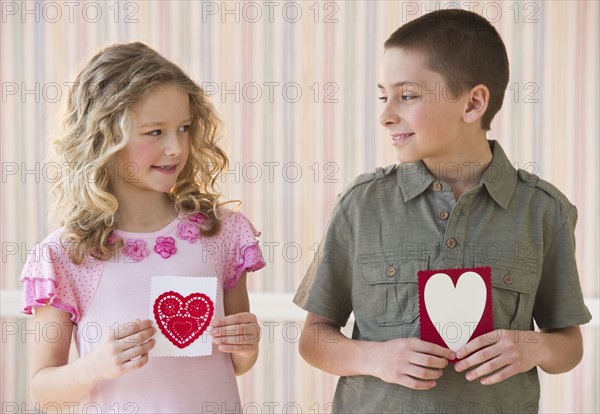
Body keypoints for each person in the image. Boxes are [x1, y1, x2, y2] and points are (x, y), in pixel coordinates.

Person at [294, 9, 591, 413]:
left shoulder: (544, 211)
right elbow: (314, 339)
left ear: (473, 103)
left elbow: (568, 346)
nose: (385, 115)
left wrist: (534, 347)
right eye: (384, 96)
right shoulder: (361, 205)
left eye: (408, 95)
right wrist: (375, 358)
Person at [20, 42, 265, 413]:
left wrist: (246, 345)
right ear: (104, 138)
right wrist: (94, 366)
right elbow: (43, 391)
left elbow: (235, 363)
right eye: (155, 132)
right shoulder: (65, 255)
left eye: (183, 128)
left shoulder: (221, 234)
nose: (176, 148)